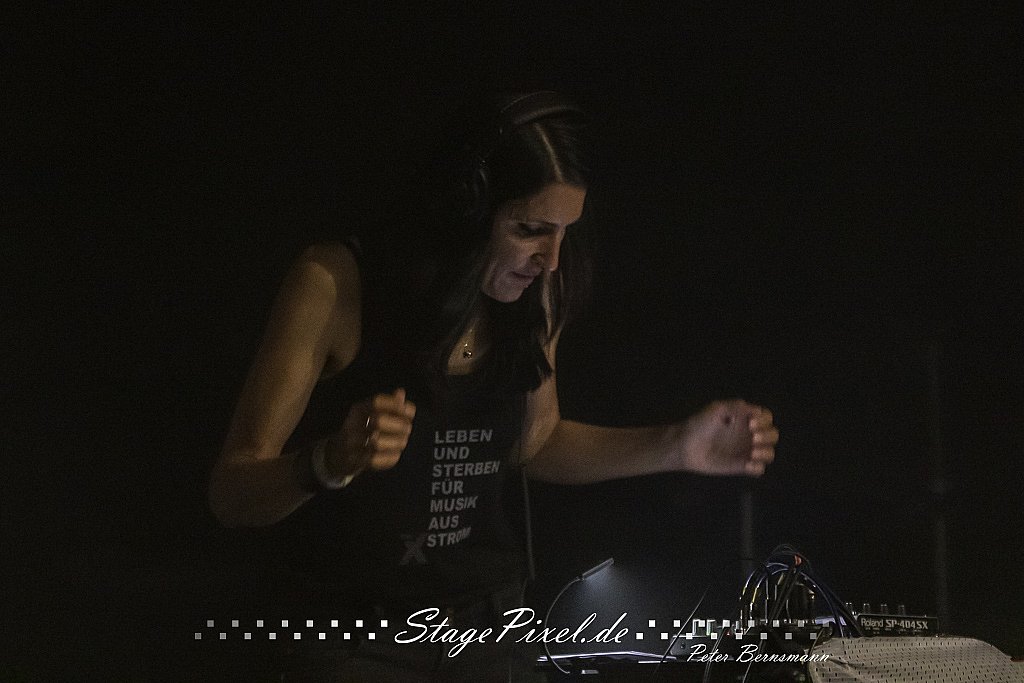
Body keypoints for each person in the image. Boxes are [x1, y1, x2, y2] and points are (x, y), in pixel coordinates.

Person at [207, 91, 778, 681]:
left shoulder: (539, 291)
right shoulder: (335, 284)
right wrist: (327, 462)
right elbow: (232, 494)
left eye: (565, 233)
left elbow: (535, 442)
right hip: (352, 638)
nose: (550, 260)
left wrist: (677, 446)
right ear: (467, 207)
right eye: (530, 229)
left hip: (489, 630)